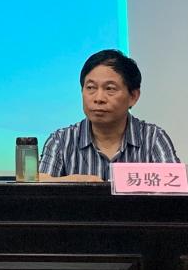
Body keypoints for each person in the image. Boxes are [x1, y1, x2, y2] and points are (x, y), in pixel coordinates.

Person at [38, 48, 178, 182]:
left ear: (133, 96)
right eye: (91, 88)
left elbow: (174, 184)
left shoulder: (153, 138)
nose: (99, 98)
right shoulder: (61, 141)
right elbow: (40, 186)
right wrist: (74, 182)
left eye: (110, 88)